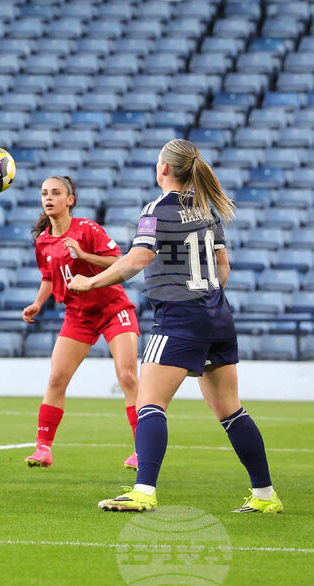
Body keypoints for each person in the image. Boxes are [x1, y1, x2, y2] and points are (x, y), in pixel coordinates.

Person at [69, 139, 282, 513]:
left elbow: (138, 258)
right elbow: (224, 267)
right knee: (231, 410)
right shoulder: (207, 210)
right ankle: (265, 495)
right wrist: (208, 303)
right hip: (217, 315)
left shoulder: (156, 208)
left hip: (179, 316)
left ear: (164, 169)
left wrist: (90, 282)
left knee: (149, 403)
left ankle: (144, 491)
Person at [21, 176, 140, 469]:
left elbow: (119, 261)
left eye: (56, 193)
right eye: (44, 193)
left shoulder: (87, 229)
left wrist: (85, 255)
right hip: (78, 314)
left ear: (69, 200)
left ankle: (143, 450)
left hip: (113, 308)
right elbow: (49, 276)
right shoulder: (44, 241)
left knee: (127, 376)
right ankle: (43, 449)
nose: (48, 198)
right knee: (57, 378)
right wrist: (38, 303)